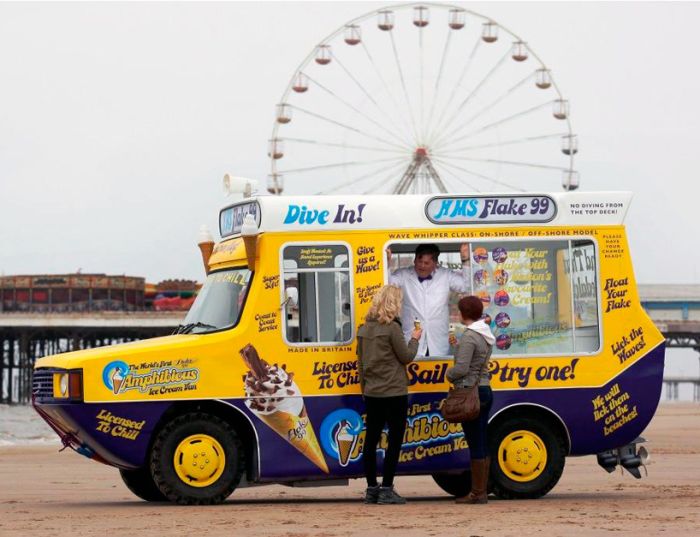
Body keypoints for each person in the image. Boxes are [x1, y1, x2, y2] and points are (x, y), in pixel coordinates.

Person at [356, 285, 423, 504]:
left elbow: (361, 365)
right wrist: (415, 338)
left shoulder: (364, 329)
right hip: (394, 392)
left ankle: (371, 489)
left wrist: (364, 390)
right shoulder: (392, 328)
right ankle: (386, 489)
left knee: (371, 440)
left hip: (373, 392)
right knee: (394, 441)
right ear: (393, 304)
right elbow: (406, 357)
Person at [446, 295, 495, 504]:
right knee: (482, 439)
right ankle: (482, 489)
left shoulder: (469, 336)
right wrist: (458, 347)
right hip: (484, 389)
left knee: (475, 441)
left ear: (463, 314)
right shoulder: (484, 334)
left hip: (470, 392)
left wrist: (448, 373)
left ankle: (477, 493)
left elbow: (462, 369)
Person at [387, 243, 471, 356]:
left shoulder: (446, 275)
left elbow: (465, 286)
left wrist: (465, 261)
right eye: (419, 261)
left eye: (426, 263)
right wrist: (386, 263)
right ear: (414, 260)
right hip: (412, 338)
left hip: (438, 339)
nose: (422, 266)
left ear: (435, 263)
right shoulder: (403, 274)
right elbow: (387, 283)